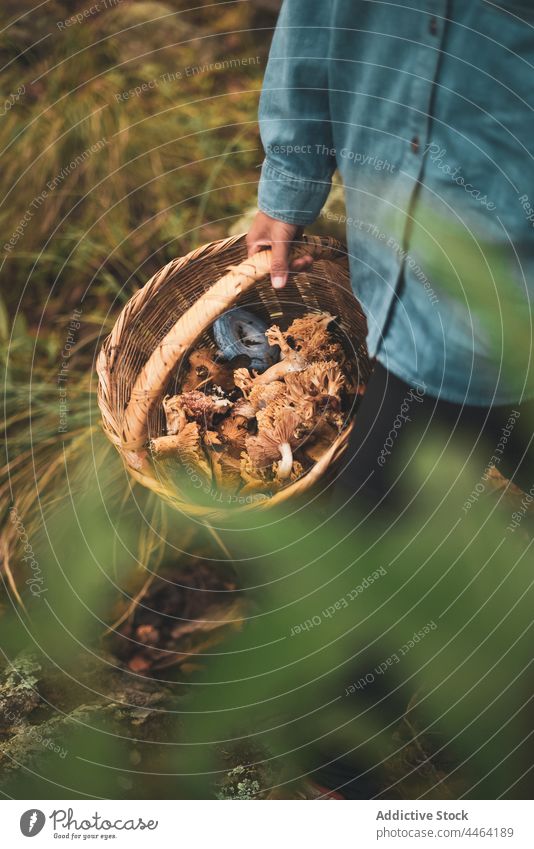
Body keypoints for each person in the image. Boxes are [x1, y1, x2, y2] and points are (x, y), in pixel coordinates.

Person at [247, 0, 534, 515]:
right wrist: (289, 183)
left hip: (516, 284)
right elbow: (310, 20)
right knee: (370, 524)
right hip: (401, 302)